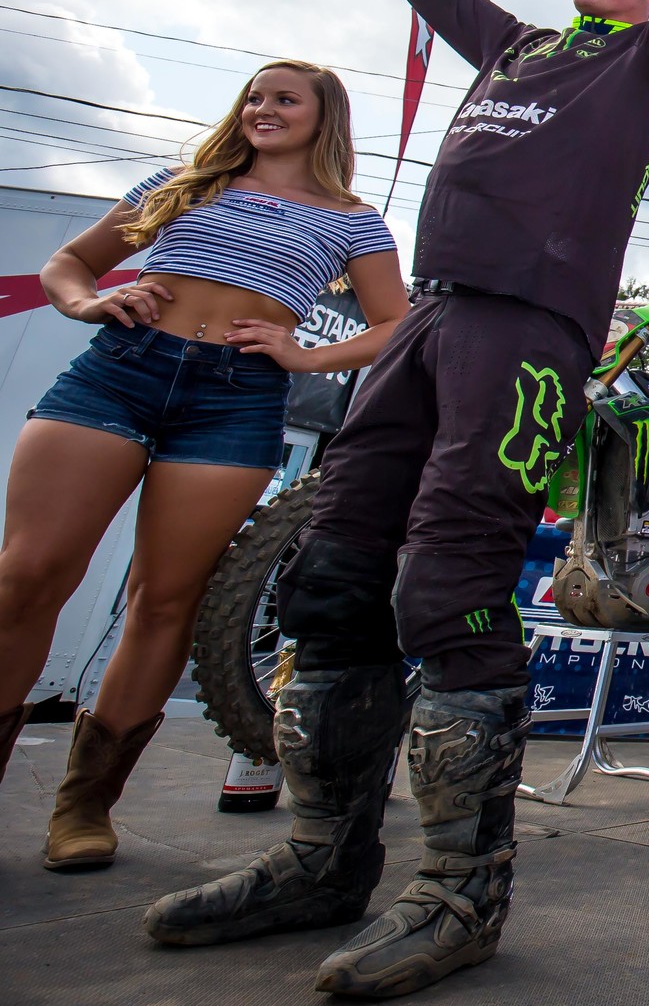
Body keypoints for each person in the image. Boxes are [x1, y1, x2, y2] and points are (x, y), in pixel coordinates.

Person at [143, 0, 649, 998]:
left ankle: (462, 891)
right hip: (427, 317)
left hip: (531, 332)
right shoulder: (519, 47)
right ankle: (322, 860)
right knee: (334, 574)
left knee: (449, 582)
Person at [0, 62, 407, 869]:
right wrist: (89, 304)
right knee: (29, 573)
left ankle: (84, 805)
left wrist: (306, 353)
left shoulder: (355, 222)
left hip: (236, 397)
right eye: (254, 97)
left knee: (165, 601)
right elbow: (68, 264)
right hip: (119, 370)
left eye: (283, 99)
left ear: (324, 118)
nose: (261, 109)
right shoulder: (183, 184)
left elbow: (397, 324)